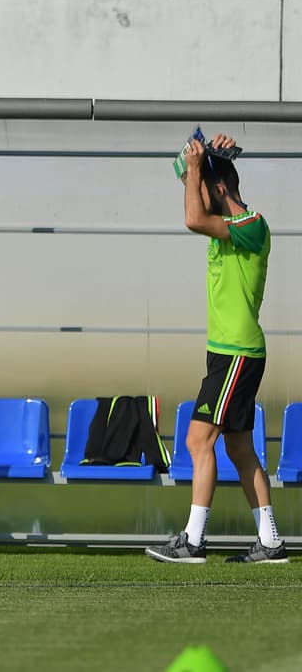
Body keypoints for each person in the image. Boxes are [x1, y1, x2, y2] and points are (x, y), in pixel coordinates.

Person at [146, 133, 284, 565]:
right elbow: (182, 171)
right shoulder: (225, 228)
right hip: (229, 354)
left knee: (196, 438)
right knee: (239, 448)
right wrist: (201, 150)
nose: (196, 194)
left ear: (220, 189)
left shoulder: (251, 225)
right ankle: (272, 541)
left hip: (236, 355)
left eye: (204, 186)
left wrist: (198, 168)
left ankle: (193, 539)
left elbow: (191, 216)